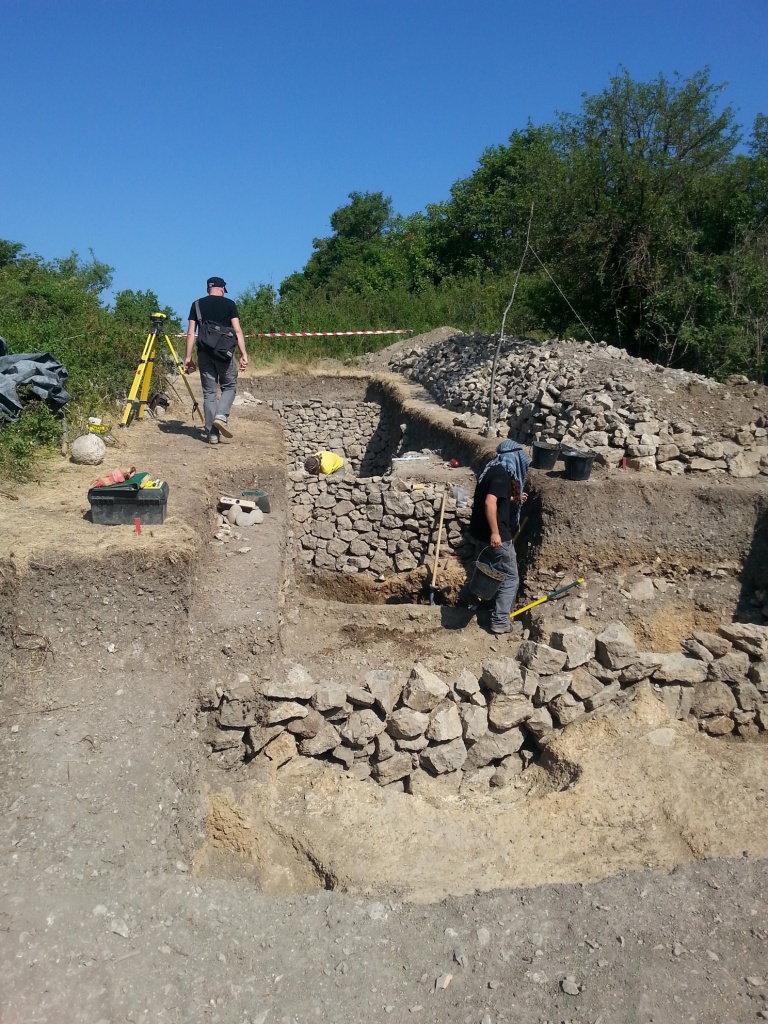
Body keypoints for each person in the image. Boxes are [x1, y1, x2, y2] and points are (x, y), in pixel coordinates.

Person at [461, 439, 530, 634]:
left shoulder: (491, 470)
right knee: (509, 577)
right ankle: (500, 621)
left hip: (479, 532)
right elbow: (490, 503)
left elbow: (495, 498)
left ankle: (470, 595)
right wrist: (495, 533)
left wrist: (513, 499)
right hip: (496, 534)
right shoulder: (502, 475)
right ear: (513, 458)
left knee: (488, 567)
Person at [183, 276, 248, 444]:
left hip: (204, 353)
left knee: (209, 393)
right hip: (224, 353)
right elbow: (238, 331)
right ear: (221, 289)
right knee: (230, 386)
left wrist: (188, 357)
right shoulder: (229, 304)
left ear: (208, 289)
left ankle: (212, 434)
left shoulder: (196, 305)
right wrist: (243, 354)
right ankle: (221, 416)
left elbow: (191, 332)